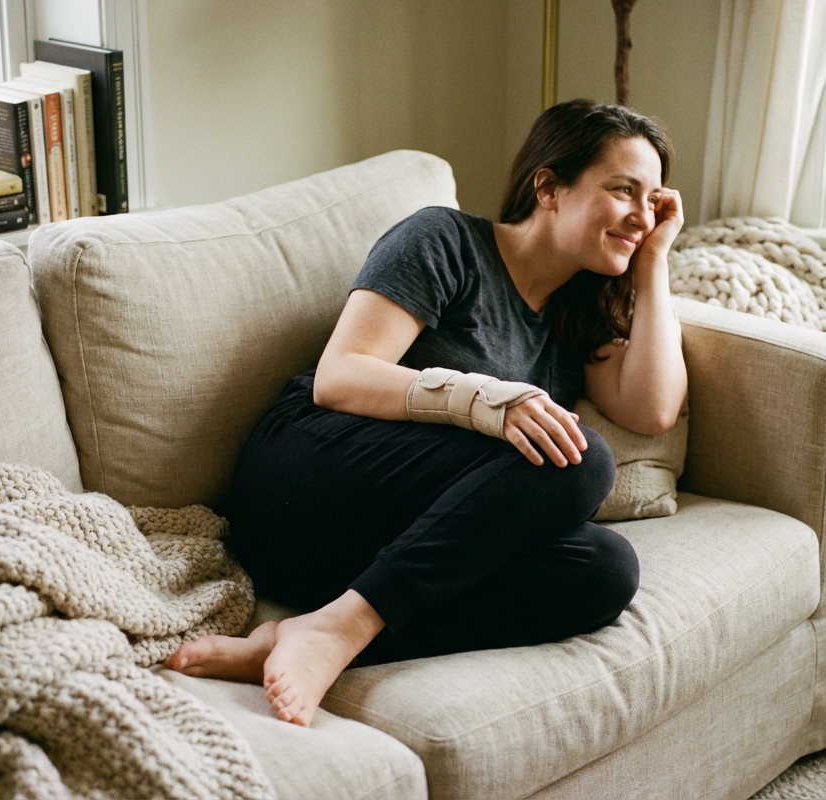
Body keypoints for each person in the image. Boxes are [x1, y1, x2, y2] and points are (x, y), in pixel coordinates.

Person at [166, 99, 687, 728]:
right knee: (579, 459)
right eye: (623, 190)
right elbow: (340, 376)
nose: (641, 214)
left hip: (381, 550)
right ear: (548, 186)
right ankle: (337, 630)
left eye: (653, 199)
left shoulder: (575, 314)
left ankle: (313, 635)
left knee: (605, 571)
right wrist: (486, 403)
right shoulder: (444, 239)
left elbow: (653, 408)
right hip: (302, 481)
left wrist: (652, 262)